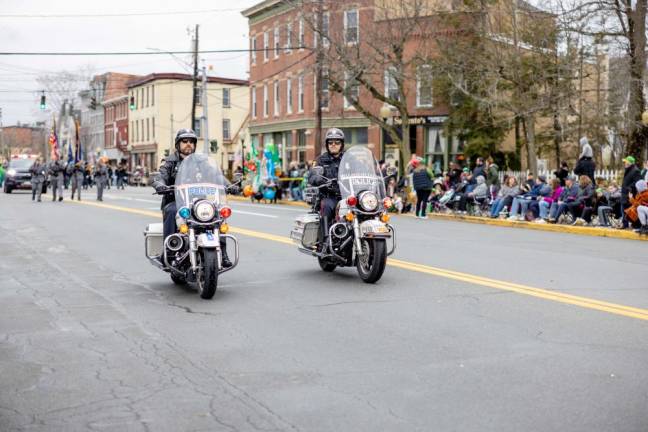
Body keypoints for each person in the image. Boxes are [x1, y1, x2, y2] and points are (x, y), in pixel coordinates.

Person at [152, 128, 233, 268]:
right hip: (176, 200)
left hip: (199, 201)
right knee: (171, 211)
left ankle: (223, 252)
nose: (188, 144)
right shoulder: (170, 161)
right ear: (178, 144)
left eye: (191, 141)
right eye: (184, 141)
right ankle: (169, 252)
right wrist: (159, 184)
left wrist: (229, 185)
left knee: (217, 214)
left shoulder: (201, 162)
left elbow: (216, 175)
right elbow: (161, 175)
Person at [308, 128, 346, 249]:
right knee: (327, 206)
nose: (334, 145)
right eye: (331, 142)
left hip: (347, 196)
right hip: (329, 196)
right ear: (327, 144)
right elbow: (312, 176)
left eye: (337, 142)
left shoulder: (349, 159)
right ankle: (325, 241)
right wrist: (318, 179)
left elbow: (360, 171)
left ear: (342, 144)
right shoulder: (320, 160)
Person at [620, 156, 642, 228]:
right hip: (625, 193)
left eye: (626, 162)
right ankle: (625, 224)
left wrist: (629, 188)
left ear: (630, 162)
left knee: (630, 209)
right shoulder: (628, 170)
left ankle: (635, 224)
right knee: (624, 208)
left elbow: (638, 182)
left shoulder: (635, 170)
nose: (624, 163)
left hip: (630, 193)